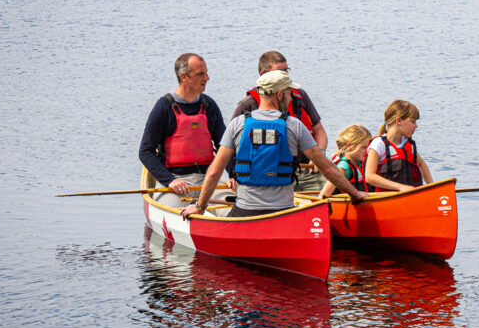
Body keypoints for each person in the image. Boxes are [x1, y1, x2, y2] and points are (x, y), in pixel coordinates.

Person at [182, 70, 366, 219]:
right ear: (279, 94)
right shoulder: (294, 126)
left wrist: (199, 206)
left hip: (245, 211)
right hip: (283, 213)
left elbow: (214, 172)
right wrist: (355, 194)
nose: (292, 98)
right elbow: (328, 169)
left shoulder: (238, 124)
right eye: (289, 93)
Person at [139, 53, 227, 208]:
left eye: (206, 73)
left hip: (208, 182)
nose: (207, 78)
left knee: (232, 208)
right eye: (200, 74)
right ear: (184, 77)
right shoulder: (164, 107)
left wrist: (234, 175)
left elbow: (225, 147)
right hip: (175, 184)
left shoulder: (209, 105)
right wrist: (170, 180)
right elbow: (146, 151)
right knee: (179, 214)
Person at [232, 51, 328, 192]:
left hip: (308, 169)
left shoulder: (299, 95)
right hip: (272, 173)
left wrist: (319, 155)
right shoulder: (248, 105)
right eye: (280, 72)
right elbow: (230, 147)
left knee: (334, 185)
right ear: (263, 74)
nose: (286, 76)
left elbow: (319, 131)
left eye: (286, 71)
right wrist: (233, 174)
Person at [364, 100, 434, 192]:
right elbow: (369, 176)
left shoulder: (408, 145)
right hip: (388, 199)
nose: (416, 126)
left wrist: (433, 188)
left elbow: (422, 164)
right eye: (413, 122)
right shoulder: (379, 144)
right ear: (399, 121)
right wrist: (400, 187)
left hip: (411, 197)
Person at [319, 124, 372, 198]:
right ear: (349, 147)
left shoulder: (359, 163)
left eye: (368, 147)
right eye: (363, 147)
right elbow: (323, 195)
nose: (367, 150)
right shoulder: (343, 167)